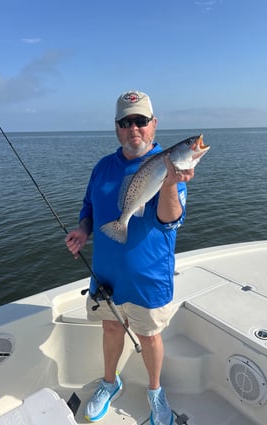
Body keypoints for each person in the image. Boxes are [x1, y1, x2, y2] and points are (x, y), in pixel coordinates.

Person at [66, 90, 195, 425]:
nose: (133, 128)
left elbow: (170, 220)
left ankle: (155, 392)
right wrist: (83, 230)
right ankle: (110, 383)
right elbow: (89, 208)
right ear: (117, 127)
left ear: (153, 124)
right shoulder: (102, 167)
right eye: (126, 122)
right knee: (111, 329)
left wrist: (169, 184)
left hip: (148, 278)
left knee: (150, 338)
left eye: (140, 120)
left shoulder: (169, 167)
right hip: (106, 275)